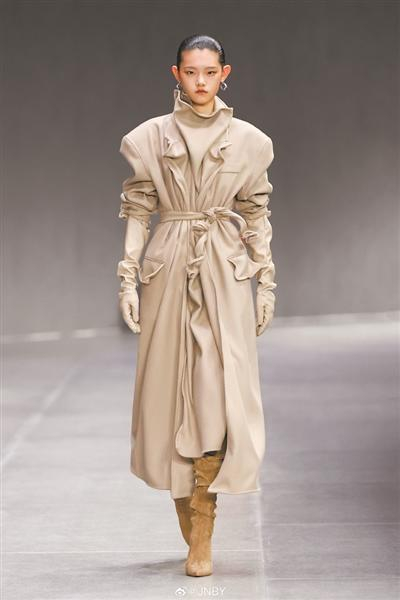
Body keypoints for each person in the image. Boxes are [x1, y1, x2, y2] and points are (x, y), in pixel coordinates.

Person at [117, 34, 277, 577]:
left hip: (224, 271)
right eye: (191, 72)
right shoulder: (147, 138)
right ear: (176, 73)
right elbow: (138, 208)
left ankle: (202, 527)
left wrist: (267, 281)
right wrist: (127, 278)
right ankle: (190, 521)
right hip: (167, 268)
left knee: (217, 394)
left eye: (210, 72)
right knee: (167, 395)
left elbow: (256, 213)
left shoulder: (250, 142)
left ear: (225, 73)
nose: (201, 81)